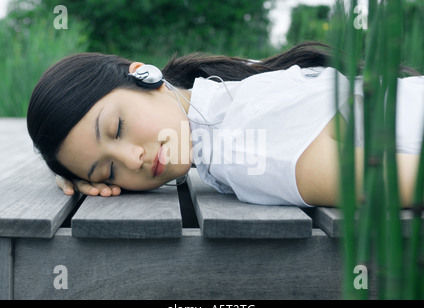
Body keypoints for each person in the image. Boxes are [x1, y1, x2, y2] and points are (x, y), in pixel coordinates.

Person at [27, 42, 424, 208]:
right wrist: (65, 166)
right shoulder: (225, 93)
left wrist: (87, 166)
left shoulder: (241, 146)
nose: (134, 160)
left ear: (145, 76)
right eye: (109, 170)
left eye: (116, 129)